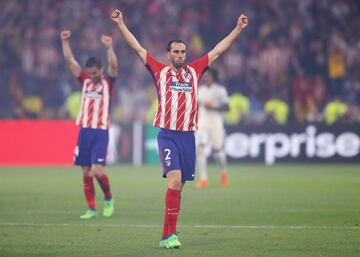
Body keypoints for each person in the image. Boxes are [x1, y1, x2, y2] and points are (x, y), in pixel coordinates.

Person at [111, 9, 248, 249]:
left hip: (188, 137)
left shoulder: (195, 71)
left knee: (180, 187)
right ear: (168, 54)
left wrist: (237, 29)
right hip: (167, 135)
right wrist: (121, 23)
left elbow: (218, 50)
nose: (180, 55)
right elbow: (137, 48)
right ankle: (169, 236)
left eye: (183, 51)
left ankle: (167, 234)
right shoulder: (159, 71)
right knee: (174, 181)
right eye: (176, 51)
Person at [60, 30, 118, 219]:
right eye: (90, 73)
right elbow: (70, 61)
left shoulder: (109, 82)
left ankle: (108, 198)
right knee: (85, 171)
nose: (92, 76)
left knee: (96, 170)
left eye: (95, 73)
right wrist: (65, 41)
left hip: (101, 132)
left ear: (101, 70)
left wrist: (109, 47)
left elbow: (114, 65)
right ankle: (91, 209)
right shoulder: (84, 80)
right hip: (84, 131)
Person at [195, 69, 230, 188]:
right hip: (203, 122)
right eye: (205, 76)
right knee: (200, 148)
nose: (205, 78)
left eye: (208, 76)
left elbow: (227, 107)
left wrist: (214, 105)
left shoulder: (220, 90)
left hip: (216, 122)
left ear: (213, 77)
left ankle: (224, 172)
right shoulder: (200, 90)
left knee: (217, 152)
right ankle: (203, 179)